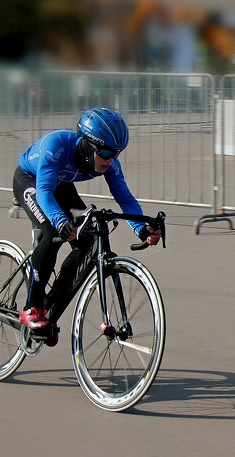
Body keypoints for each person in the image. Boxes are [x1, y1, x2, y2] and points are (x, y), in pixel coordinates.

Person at [12, 107, 161, 345]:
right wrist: (60, 221)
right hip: (32, 181)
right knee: (54, 232)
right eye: (105, 152)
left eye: (116, 154)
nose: (111, 159)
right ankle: (32, 308)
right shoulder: (57, 145)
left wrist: (141, 228)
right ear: (88, 144)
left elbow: (125, 199)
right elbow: (44, 194)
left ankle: (51, 304)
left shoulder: (110, 163)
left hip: (60, 184)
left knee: (89, 240)